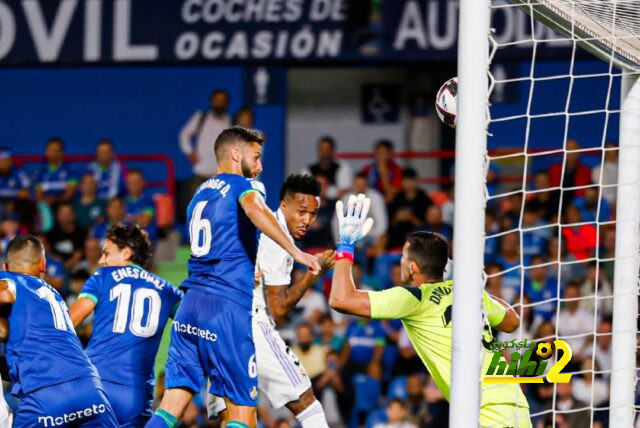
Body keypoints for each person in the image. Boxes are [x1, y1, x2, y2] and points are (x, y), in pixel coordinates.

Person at [148, 127, 319, 428]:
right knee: (242, 414)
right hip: (225, 310)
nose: (261, 166)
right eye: (256, 157)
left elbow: (219, 242)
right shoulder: (245, 186)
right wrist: (298, 252)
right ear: (236, 154)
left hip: (190, 307)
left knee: (170, 406)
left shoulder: (198, 194)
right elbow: (253, 208)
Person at [328, 196, 531, 427]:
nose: (401, 261)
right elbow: (512, 321)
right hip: (513, 403)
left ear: (413, 267)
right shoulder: (468, 292)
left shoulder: (414, 298)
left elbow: (340, 299)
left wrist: (345, 246)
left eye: (404, 256)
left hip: (484, 413)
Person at [207, 174, 333, 427]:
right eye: (302, 212)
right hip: (249, 321)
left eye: (313, 214)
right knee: (306, 403)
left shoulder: (251, 224)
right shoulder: (277, 239)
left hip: (217, 323)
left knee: (234, 415)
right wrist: (312, 274)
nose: (307, 220)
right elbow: (278, 309)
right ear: (283, 206)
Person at [70, 224, 183, 427]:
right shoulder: (168, 291)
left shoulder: (102, 277)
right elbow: (194, 322)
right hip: (136, 395)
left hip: (97, 385)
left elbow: (68, 322)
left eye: (106, 253)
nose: (101, 260)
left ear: (126, 253)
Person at [0, 235, 118, 427]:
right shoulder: (54, 295)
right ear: (43, 265)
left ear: (6, 267)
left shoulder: (8, 278)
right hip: (91, 389)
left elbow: (4, 294)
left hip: (44, 397)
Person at [179, 89, 232, 188]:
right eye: (217, 100)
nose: (219, 103)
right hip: (201, 172)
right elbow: (184, 134)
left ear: (226, 103)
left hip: (222, 176)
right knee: (198, 203)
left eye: (222, 101)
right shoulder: (201, 118)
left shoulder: (231, 121)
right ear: (212, 101)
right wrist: (190, 152)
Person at [34, 137, 78, 205]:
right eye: (49, 150)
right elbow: (38, 196)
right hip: (46, 206)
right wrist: (46, 201)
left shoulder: (70, 171)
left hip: (63, 205)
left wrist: (55, 199)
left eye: (55, 150)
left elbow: (69, 194)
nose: (52, 153)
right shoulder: (40, 172)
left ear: (61, 152)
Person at [46, 202, 87, 271]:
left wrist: (63, 268)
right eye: (63, 214)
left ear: (74, 215)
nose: (65, 217)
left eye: (68, 214)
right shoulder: (51, 234)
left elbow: (78, 256)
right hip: (54, 268)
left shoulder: (81, 233)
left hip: (76, 267)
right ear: (57, 216)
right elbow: (49, 254)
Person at [125, 169, 157, 241]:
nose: (134, 185)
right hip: (125, 240)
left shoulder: (149, 202)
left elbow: (144, 221)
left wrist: (128, 218)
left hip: (145, 241)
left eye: (137, 182)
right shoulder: (122, 202)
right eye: (131, 182)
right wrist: (137, 218)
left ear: (143, 183)